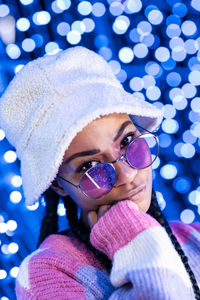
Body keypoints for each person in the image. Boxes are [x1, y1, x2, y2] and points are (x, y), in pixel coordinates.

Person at [0, 46, 200, 300]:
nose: (126, 175)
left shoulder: (194, 237)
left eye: (128, 141)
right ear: (58, 185)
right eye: (90, 167)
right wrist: (129, 235)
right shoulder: (45, 274)